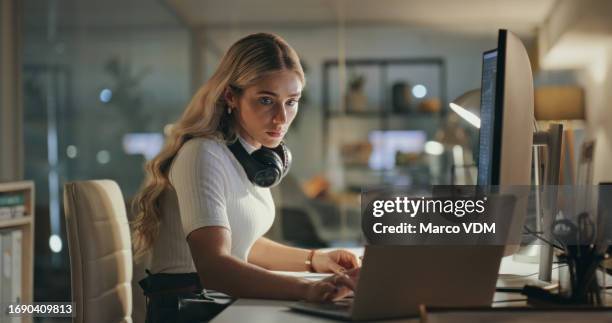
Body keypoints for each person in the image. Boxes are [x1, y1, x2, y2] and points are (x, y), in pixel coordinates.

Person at [132, 33, 359, 322]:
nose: (281, 118)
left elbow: (242, 243)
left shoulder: (246, 156)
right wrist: (307, 290)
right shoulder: (202, 154)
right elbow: (215, 266)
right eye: (266, 100)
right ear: (231, 97)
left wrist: (314, 259)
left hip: (219, 303)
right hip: (190, 311)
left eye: (291, 102)